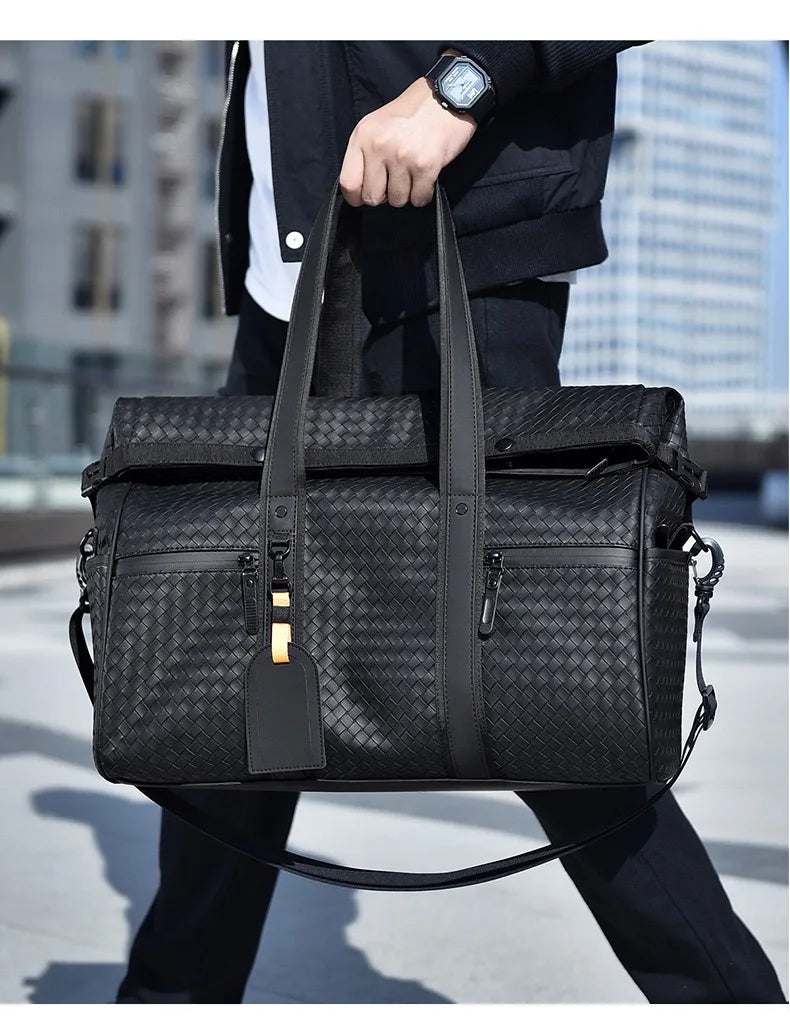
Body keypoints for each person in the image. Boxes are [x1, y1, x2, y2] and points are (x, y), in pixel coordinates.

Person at [116, 41, 786, 1005]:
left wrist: (459, 86)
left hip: (451, 242)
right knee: (246, 685)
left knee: (549, 694)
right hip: (288, 271)